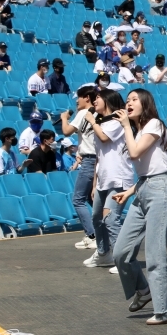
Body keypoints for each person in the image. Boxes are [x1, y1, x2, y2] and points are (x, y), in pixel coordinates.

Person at [107, 89, 167, 324]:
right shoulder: (137, 131)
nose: (128, 103)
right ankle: (144, 291)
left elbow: (137, 153)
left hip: (159, 190)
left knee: (156, 254)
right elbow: (145, 168)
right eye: (127, 100)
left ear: (145, 103)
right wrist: (129, 192)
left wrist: (126, 126)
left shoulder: (155, 124)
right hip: (144, 188)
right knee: (121, 252)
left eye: (134, 99)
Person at [81, 89, 132, 272]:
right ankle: (103, 254)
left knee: (110, 219)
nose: (94, 102)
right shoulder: (101, 123)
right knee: (97, 218)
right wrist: (95, 183)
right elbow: (98, 156)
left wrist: (92, 121)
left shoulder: (117, 120)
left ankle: (122, 259)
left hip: (117, 178)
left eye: (98, 99)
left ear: (108, 100)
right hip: (103, 178)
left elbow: (104, 138)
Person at [60, 85, 98, 249]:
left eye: (79, 97)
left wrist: (64, 118)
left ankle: (92, 235)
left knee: (78, 200)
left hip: (89, 160)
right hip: (95, 158)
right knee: (91, 198)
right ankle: (100, 232)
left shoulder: (84, 112)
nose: (76, 100)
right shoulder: (97, 113)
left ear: (87, 98)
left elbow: (67, 131)